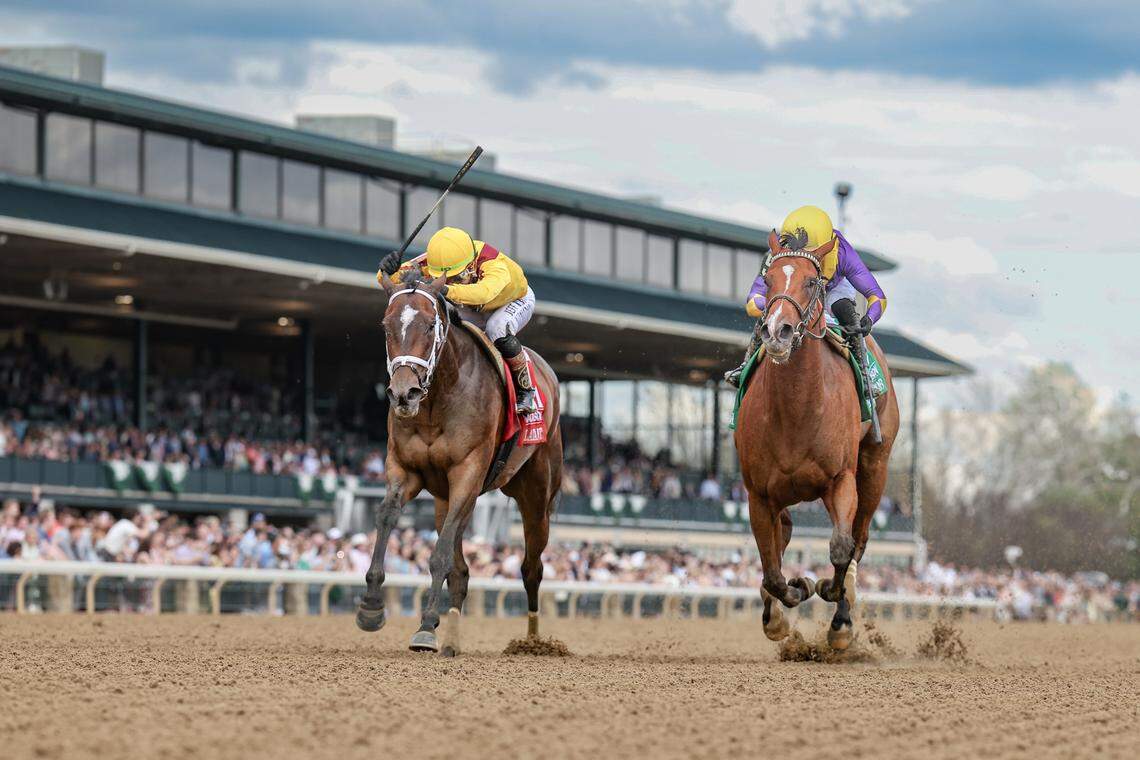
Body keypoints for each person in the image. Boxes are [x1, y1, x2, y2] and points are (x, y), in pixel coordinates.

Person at [378, 227, 539, 414]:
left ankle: (525, 389)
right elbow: (394, 278)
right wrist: (386, 271)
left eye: (454, 276)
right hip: (472, 307)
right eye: (443, 277)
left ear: (471, 265)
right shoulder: (438, 260)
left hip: (512, 301)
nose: (449, 280)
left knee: (496, 328)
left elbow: (483, 294)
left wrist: (446, 289)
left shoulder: (495, 265)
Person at [725, 205, 887, 387]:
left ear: (827, 247)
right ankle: (746, 366)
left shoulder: (844, 254)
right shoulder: (776, 254)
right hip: (792, 289)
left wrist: (869, 319)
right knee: (770, 315)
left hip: (833, 287)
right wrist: (775, 305)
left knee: (844, 310)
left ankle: (865, 374)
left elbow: (877, 297)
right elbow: (753, 302)